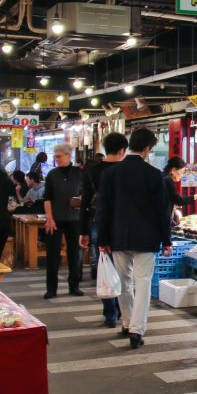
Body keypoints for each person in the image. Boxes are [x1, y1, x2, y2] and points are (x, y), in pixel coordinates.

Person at [96, 128, 172, 349]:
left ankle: (127, 322)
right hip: (146, 239)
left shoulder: (110, 174)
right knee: (143, 284)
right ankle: (137, 330)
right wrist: (166, 240)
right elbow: (162, 210)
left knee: (124, 283)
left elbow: (103, 209)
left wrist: (102, 238)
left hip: (117, 237)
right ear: (147, 149)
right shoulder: (153, 174)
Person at [80, 132, 128, 329]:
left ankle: (110, 313)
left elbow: (85, 201)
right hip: (124, 225)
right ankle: (123, 311)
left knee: (105, 267)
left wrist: (82, 230)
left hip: (99, 223)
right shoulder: (126, 170)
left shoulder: (93, 171)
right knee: (125, 270)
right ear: (122, 150)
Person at [43, 144, 84, 299]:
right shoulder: (52, 174)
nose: (56, 159)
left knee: (74, 253)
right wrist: (50, 218)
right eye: (55, 156)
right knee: (52, 254)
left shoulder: (79, 173)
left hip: (75, 219)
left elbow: (86, 193)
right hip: (56, 219)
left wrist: (81, 199)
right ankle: (51, 288)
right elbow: (47, 198)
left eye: (59, 156)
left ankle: (74, 286)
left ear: (68, 156)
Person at [162, 157, 197, 228]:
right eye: (181, 172)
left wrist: (174, 202)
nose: (182, 176)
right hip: (163, 220)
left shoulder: (163, 176)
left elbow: (169, 198)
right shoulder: (168, 179)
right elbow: (179, 200)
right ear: (173, 170)